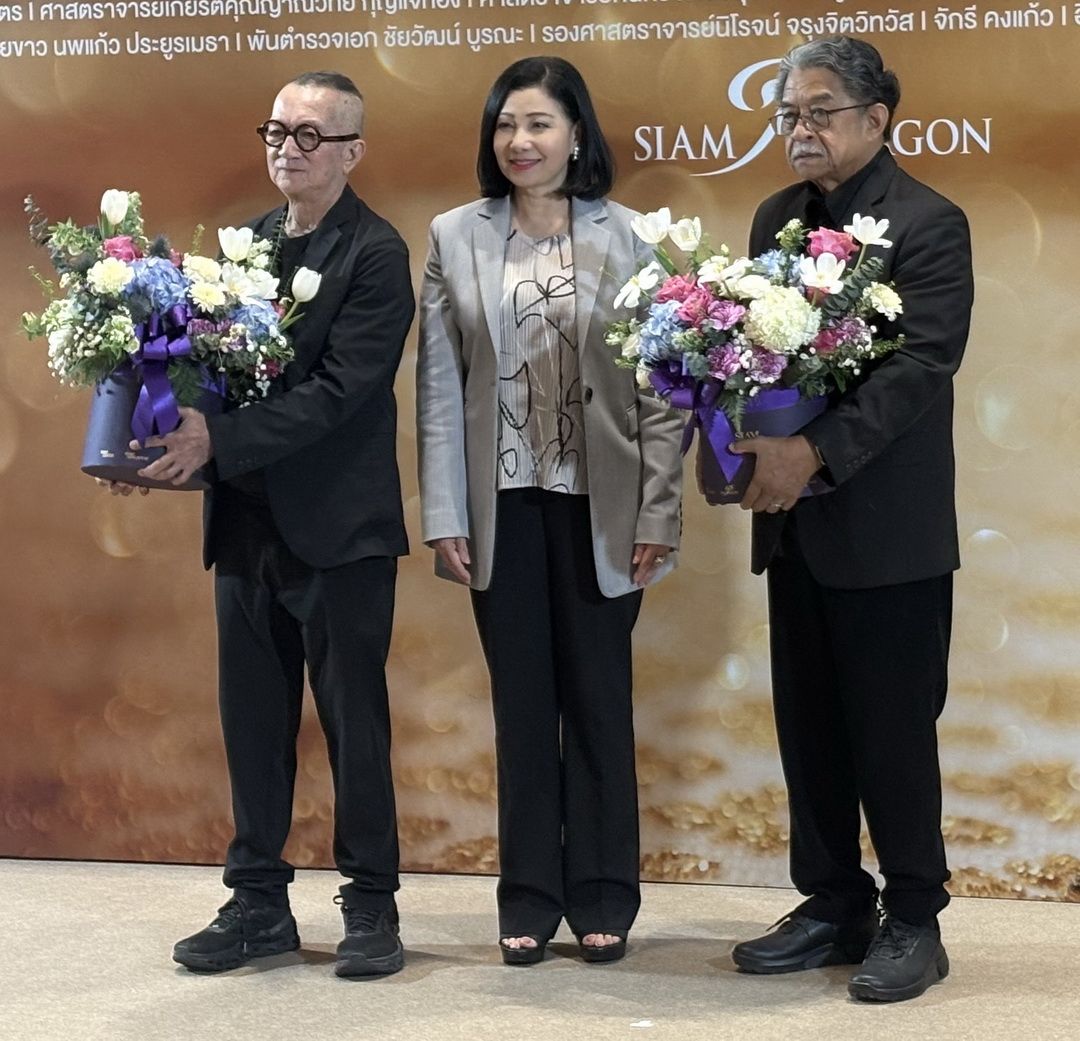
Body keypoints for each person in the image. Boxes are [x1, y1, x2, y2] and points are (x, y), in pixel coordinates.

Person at [134, 71, 415, 978]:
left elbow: (340, 392)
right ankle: (257, 901)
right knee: (252, 724)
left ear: (352, 152)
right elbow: (205, 375)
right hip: (246, 526)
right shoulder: (244, 246)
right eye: (278, 130)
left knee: (354, 724)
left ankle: (372, 902)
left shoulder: (377, 253)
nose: (288, 148)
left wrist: (214, 441)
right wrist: (151, 442)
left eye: (311, 135)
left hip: (341, 531)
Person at [416, 56, 683, 966]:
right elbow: (440, 388)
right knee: (522, 708)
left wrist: (659, 512)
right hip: (501, 503)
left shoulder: (634, 236)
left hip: (602, 503)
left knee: (599, 701)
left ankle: (605, 891)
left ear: (576, 134)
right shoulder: (454, 235)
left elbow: (663, 393)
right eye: (505, 125)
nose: (519, 141)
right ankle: (528, 893)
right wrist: (444, 508)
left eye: (538, 124)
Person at [727, 36, 973, 1003]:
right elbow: (755, 355)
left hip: (888, 527)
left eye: (819, 111)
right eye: (788, 113)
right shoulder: (776, 218)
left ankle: (915, 915)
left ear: (877, 117)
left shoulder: (929, 222)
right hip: (794, 524)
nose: (800, 129)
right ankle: (834, 900)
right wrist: (732, 440)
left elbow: (922, 365)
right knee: (811, 727)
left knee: (894, 730)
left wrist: (815, 451)